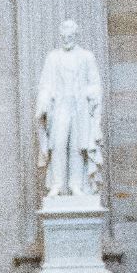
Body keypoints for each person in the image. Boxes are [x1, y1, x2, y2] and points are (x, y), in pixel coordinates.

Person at [34, 19, 103, 198]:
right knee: (58, 145)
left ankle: (75, 185)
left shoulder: (86, 57)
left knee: (77, 147)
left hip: (79, 107)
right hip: (59, 107)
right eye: (64, 37)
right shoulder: (53, 57)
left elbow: (95, 84)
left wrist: (89, 94)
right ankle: (57, 184)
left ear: (76, 35)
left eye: (70, 36)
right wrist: (43, 102)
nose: (67, 39)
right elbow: (46, 85)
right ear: (61, 36)